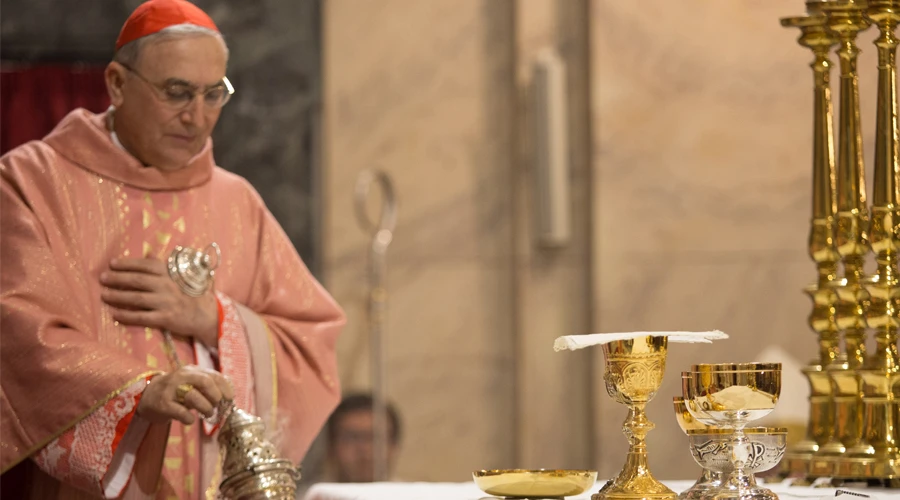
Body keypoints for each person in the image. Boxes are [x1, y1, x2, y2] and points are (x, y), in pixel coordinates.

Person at [0, 0, 345, 498]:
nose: (197, 117)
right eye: (177, 92)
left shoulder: (237, 200)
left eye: (213, 95)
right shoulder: (32, 182)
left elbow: (310, 344)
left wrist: (216, 321)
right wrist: (138, 393)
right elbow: (18, 332)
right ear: (117, 84)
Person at [325, 393, 402, 483]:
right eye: (352, 438)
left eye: (376, 438)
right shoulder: (310, 496)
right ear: (331, 445)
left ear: (394, 445)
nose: (365, 448)